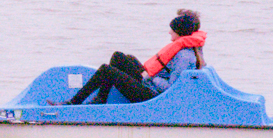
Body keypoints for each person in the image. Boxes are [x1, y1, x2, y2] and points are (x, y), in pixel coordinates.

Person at [67, 10, 206, 105]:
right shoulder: (186, 50)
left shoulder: (183, 56)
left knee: (106, 70)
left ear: (180, 32)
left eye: (172, 29)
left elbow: (171, 88)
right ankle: (101, 98)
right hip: (151, 86)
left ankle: (74, 102)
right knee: (119, 57)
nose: (169, 32)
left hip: (152, 96)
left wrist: (150, 76)